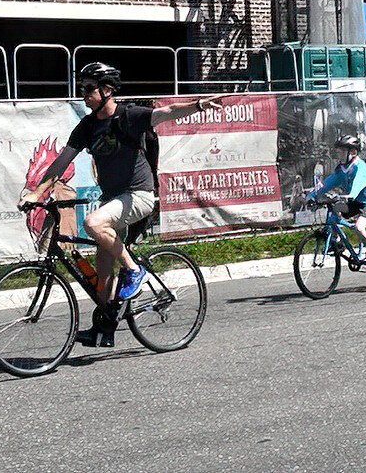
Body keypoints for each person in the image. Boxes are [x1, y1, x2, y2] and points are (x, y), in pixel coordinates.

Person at [20, 62, 222, 347]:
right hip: (113, 201)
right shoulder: (88, 126)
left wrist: (198, 104)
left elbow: (167, 113)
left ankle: (134, 270)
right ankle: (104, 328)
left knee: (92, 223)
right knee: (102, 279)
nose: (84, 94)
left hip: (138, 195)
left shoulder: (128, 116)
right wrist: (36, 193)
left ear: (107, 90)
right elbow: (61, 161)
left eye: (89, 89)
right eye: (83, 89)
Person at [307, 135, 366, 275]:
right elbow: (327, 183)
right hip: (355, 202)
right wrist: (312, 195)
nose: (338, 154)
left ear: (353, 152)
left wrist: (349, 196)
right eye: (338, 151)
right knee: (334, 209)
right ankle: (337, 241)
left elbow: (358, 184)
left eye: (342, 151)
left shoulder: (359, 167)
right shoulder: (341, 169)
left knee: (359, 227)